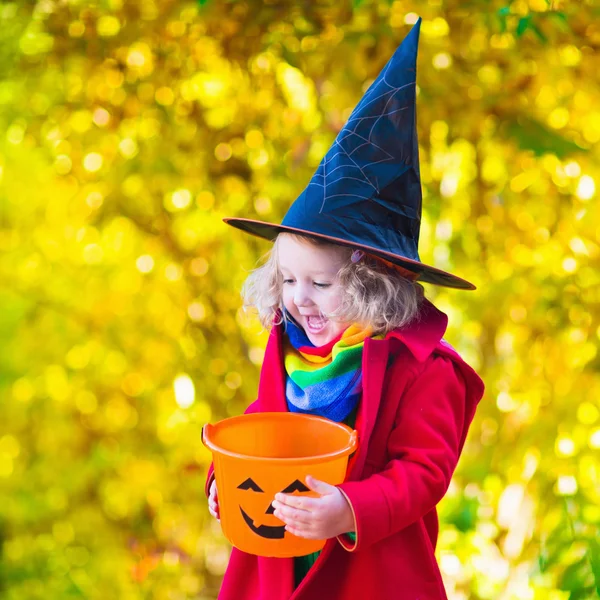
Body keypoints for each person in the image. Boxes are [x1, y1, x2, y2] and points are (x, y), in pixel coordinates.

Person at [205, 17, 485, 600]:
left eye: (321, 284)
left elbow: (423, 472)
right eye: (287, 279)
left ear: (374, 286)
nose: (299, 299)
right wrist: (222, 478)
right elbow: (265, 426)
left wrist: (349, 509)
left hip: (370, 576)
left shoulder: (428, 369)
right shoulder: (292, 348)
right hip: (277, 565)